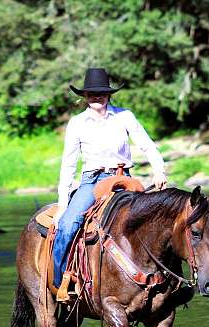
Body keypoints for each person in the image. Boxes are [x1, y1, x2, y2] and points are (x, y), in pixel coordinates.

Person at [52, 68, 167, 289]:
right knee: (67, 225)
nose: (97, 97)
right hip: (92, 181)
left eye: (102, 92)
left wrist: (159, 169)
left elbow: (147, 144)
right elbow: (68, 164)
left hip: (124, 179)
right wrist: (62, 204)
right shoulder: (77, 123)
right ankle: (60, 282)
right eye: (92, 93)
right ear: (84, 96)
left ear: (109, 94)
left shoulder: (125, 116)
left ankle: (164, 277)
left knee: (156, 221)